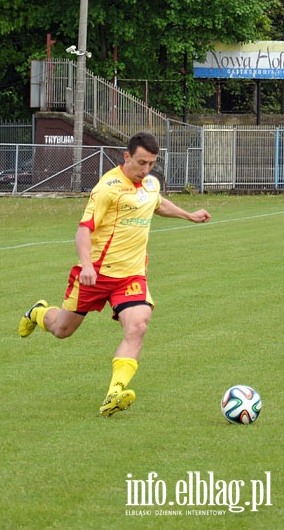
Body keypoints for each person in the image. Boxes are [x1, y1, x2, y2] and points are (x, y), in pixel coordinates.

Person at [19, 131, 211, 417]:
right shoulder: (108, 188)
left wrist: (189, 215)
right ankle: (38, 312)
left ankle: (114, 394)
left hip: (131, 276)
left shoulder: (150, 183)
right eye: (141, 163)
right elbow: (84, 229)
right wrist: (85, 266)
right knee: (62, 330)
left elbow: (157, 203)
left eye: (151, 164)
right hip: (95, 274)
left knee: (138, 326)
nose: (145, 170)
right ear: (126, 157)